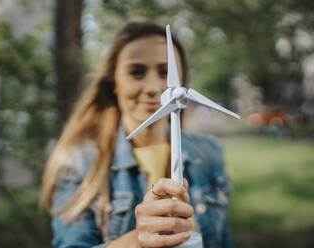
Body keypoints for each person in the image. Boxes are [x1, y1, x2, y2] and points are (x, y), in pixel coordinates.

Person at [40, 21, 233, 248]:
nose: (153, 87)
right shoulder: (79, 162)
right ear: (114, 82)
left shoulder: (209, 153)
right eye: (137, 72)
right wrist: (137, 241)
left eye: (165, 72)